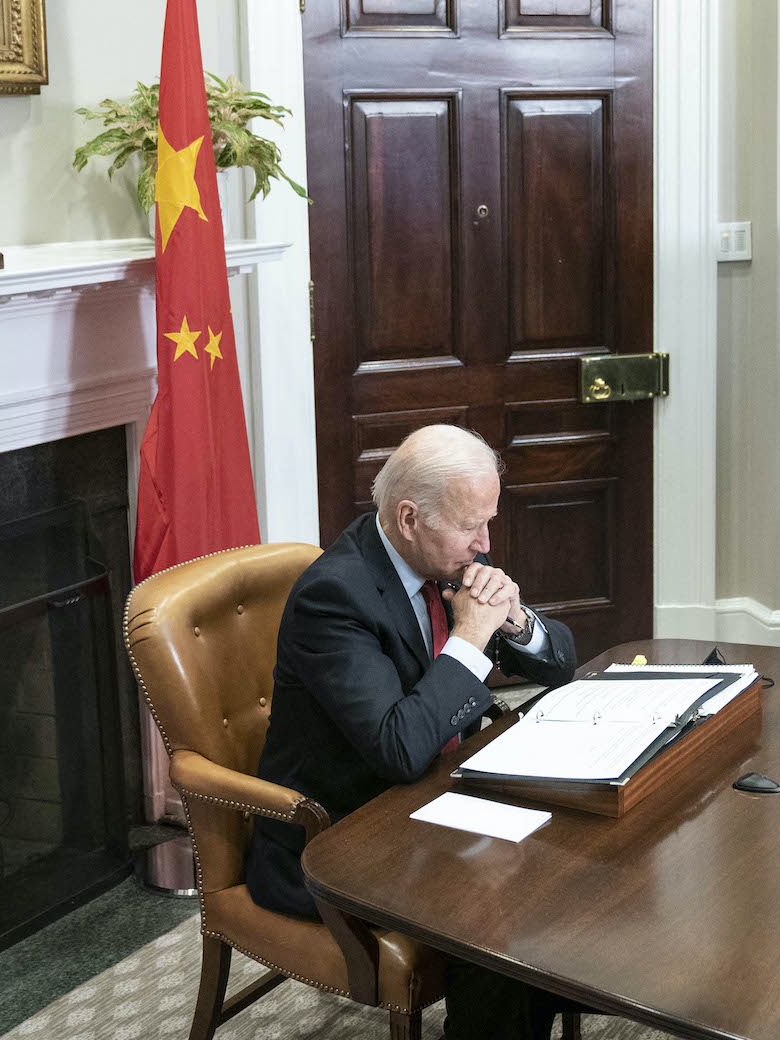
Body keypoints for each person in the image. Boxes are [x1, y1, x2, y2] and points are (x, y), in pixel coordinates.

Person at [246, 424, 580, 1040]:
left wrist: (512, 622)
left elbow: (561, 666)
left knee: (567, 853)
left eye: (489, 522)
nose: (485, 544)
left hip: (435, 800)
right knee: (495, 915)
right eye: (471, 527)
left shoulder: (442, 556)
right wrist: (472, 638)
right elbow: (398, 748)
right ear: (408, 519)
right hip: (345, 834)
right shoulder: (335, 597)